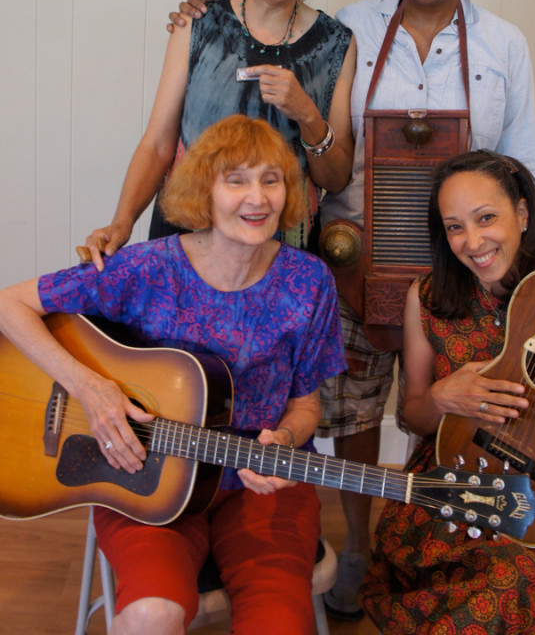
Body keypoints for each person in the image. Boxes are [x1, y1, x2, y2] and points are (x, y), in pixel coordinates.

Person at [171, 0, 535, 620]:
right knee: (353, 419)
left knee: (456, 409)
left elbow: (523, 173)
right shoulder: (350, 26)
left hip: (459, 268)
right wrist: (208, 15)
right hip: (348, 256)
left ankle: (454, 549)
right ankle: (361, 548)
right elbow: (293, 66)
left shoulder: (503, 44)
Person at [0, 115, 348, 635]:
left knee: (279, 622)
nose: (258, 198)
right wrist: (90, 387)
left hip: (259, 485)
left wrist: (287, 439)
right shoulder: (146, 269)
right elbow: (10, 306)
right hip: (143, 477)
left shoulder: (308, 281)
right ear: (203, 190)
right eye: (237, 180)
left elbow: (305, 404)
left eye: (271, 180)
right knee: (150, 614)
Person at [359, 148, 535, 634]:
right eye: (455, 226)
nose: (472, 241)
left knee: (527, 575)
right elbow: (414, 417)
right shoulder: (431, 297)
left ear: (522, 214)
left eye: (486, 218)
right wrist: (440, 398)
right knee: (497, 578)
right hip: (461, 478)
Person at [85, 0, 356, 268]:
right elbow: (158, 145)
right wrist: (122, 221)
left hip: (281, 248)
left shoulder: (336, 43)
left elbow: (337, 177)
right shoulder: (196, 26)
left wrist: (307, 114)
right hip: (186, 234)